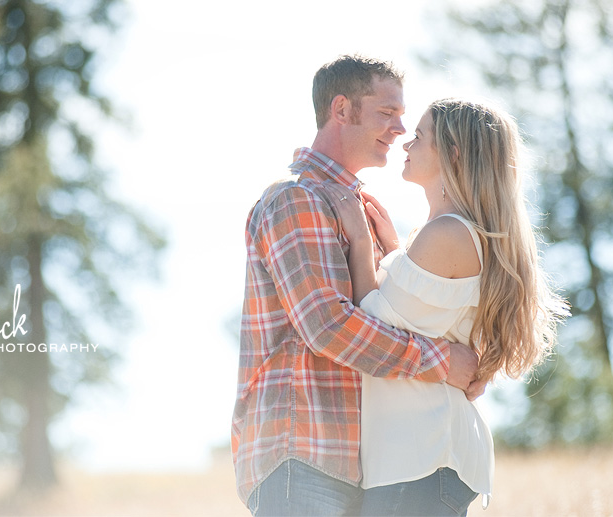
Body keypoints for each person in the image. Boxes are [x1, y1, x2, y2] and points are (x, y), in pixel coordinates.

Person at [231, 56, 484, 517]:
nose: (400, 129)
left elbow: (394, 311)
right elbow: (326, 324)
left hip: (358, 463)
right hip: (304, 452)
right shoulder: (298, 197)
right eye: (387, 114)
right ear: (341, 109)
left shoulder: (360, 206)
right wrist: (442, 361)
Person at [328, 98, 569, 516]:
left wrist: (362, 243)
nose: (406, 143)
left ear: (453, 153)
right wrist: (393, 249)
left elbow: (368, 325)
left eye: (419, 137)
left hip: (420, 454)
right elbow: (417, 320)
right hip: (423, 455)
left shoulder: (448, 234)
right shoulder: (450, 234)